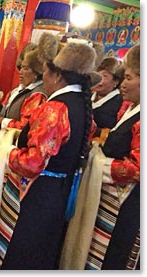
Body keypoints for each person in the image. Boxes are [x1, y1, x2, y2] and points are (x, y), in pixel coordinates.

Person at [0, 40, 97, 269]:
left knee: (25, 251)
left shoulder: (55, 108)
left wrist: (8, 151)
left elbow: (32, 164)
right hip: (61, 191)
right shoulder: (83, 106)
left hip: (39, 192)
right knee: (45, 250)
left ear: (58, 75)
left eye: (44, 74)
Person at [0, 32, 58, 270]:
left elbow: (28, 128)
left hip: (17, 159)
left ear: (38, 72)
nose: (20, 71)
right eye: (20, 66)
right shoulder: (21, 91)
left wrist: (3, 122)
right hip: (4, 152)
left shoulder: (38, 95)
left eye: (26, 67)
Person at [60, 44, 140, 270]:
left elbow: (138, 168)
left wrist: (99, 163)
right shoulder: (129, 108)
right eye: (123, 78)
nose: (123, 84)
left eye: (130, 78)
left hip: (124, 204)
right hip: (107, 196)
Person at [91, 57, 124, 130]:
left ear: (116, 82)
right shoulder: (87, 95)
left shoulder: (119, 103)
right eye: (98, 74)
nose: (99, 79)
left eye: (105, 76)